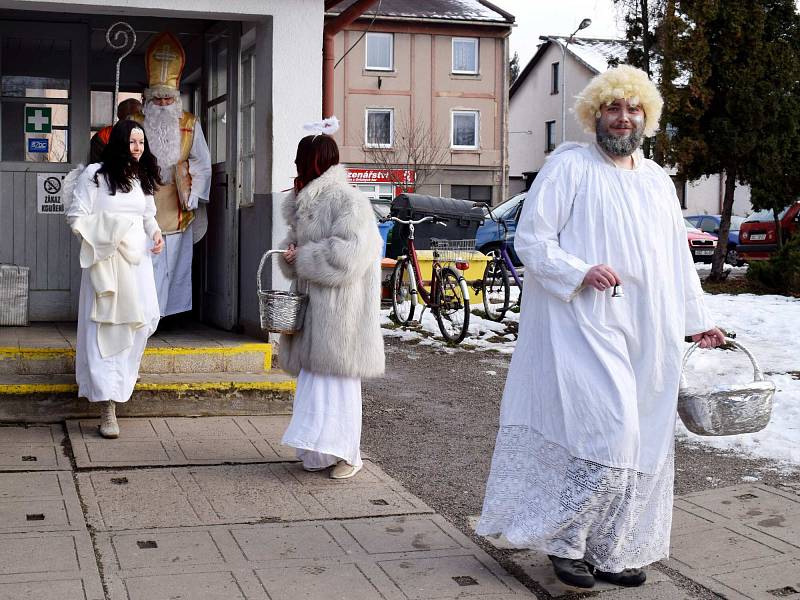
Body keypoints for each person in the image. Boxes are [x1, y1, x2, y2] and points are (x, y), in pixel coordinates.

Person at [475, 65, 725, 589]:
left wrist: (698, 321)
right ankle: (565, 544)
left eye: (632, 109)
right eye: (612, 107)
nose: (622, 118)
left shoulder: (657, 180)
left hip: (649, 326)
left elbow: (676, 259)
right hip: (584, 321)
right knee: (608, 430)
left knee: (645, 439)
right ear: (595, 113)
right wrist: (578, 270)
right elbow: (534, 241)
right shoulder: (569, 168)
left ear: (646, 116)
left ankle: (615, 549)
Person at [277, 132, 385, 479]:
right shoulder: (305, 200)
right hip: (316, 310)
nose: (296, 166)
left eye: (300, 160)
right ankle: (320, 452)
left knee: (338, 385)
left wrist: (304, 257)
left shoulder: (347, 200)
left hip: (342, 313)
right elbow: (298, 246)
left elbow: (349, 256)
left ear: (312, 161)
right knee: (315, 383)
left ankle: (350, 455)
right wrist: (290, 254)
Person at [66, 120, 163, 439]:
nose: (138, 148)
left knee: (137, 324)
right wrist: (101, 236)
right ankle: (107, 407)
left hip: (137, 262)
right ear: (120, 143)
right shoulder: (95, 175)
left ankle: (121, 387)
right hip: (105, 261)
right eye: (132, 142)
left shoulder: (142, 177)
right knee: (103, 329)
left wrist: (156, 233)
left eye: (142, 142)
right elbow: (76, 216)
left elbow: (148, 215)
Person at [137, 31, 211, 317]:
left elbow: (202, 162)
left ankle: (167, 315)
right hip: (144, 203)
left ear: (176, 97)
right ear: (149, 100)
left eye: (168, 98)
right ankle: (145, 315)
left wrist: (193, 195)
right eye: (158, 99)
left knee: (173, 266)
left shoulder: (190, 124)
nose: (164, 104)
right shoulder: (135, 122)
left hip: (177, 204)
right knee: (146, 264)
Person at [89, 98, 143, 163]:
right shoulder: (104, 136)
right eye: (138, 115)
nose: (142, 118)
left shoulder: (142, 135)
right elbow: (97, 165)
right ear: (127, 117)